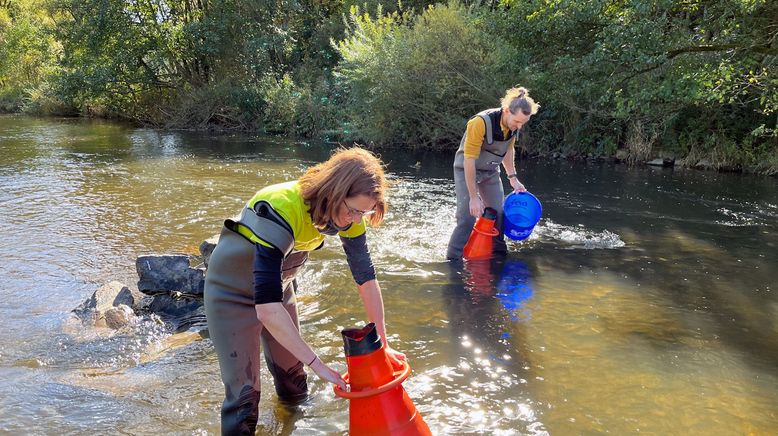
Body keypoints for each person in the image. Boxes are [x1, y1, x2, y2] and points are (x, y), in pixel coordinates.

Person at [204, 147, 406, 435]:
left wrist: (383, 343)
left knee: (294, 382)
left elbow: (365, 278)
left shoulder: (346, 216)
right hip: (231, 295)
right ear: (335, 193)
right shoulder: (281, 207)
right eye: (353, 211)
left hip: (279, 289)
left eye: (365, 212)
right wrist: (319, 365)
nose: (357, 219)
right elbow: (266, 309)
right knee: (244, 400)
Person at [446, 87, 540, 260]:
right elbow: (469, 161)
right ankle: (453, 260)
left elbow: (507, 150)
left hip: (490, 171)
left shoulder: (513, 126)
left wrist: (513, 178)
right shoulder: (480, 123)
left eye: (522, 123)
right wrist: (474, 197)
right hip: (466, 169)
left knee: (498, 213)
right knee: (467, 217)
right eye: (517, 122)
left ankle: (497, 256)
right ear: (506, 111)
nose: (519, 127)